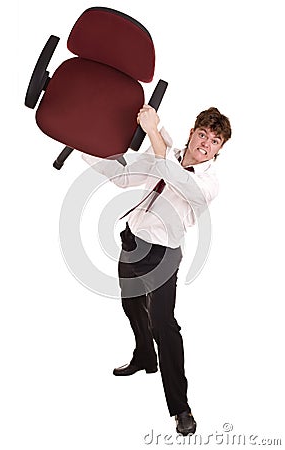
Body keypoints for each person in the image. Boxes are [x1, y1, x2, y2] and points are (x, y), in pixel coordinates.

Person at [81, 105, 232, 435]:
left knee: (165, 326)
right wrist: (84, 147)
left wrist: (155, 129)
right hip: (132, 241)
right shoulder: (167, 151)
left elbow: (175, 179)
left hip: (163, 256)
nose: (206, 143)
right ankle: (144, 357)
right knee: (131, 304)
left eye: (215, 141)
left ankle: (181, 408)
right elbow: (124, 178)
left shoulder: (209, 183)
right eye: (203, 134)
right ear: (192, 133)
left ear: (219, 150)